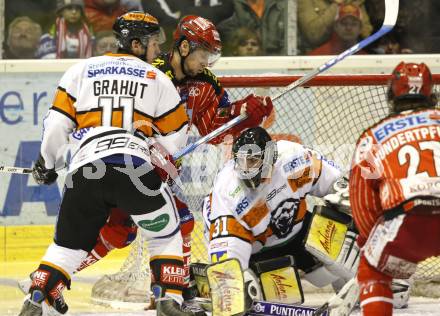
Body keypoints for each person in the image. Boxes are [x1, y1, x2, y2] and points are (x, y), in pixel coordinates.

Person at [17, 11, 205, 316]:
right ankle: (170, 298)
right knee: (167, 232)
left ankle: (36, 296)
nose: (158, 50)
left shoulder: (80, 70)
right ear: (135, 44)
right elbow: (175, 144)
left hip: (84, 171)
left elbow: (54, 127)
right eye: (154, 43)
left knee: (66, 246)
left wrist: (47, 162)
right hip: (133, 168)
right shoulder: (155, 78)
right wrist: (148, 133)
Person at [204, 127, 359, 311]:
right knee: (242, 292)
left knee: (340, 248)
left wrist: (359, 219)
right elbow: (227, 259)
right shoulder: (229, 192)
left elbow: (340, 188)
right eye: (241, 161)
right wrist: (232, 288)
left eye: (253, 160)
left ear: (269, 157)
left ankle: (361, 285)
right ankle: (253, 285)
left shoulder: (294, 158)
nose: (246, 168)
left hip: (298, 233)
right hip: (257, 253)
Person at [349, 62, 440, 316]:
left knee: (373, 270)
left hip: (408, 218)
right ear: (432, 95)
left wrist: (372, 243)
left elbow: (362, 202)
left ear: (391, 94)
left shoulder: (373, 135)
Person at [298, 0, 372, 53]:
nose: (348, 27)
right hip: (318, 58)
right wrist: (337, 5)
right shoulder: (307, 2)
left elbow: (367, 33)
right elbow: (313, 36)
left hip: (353, 53)